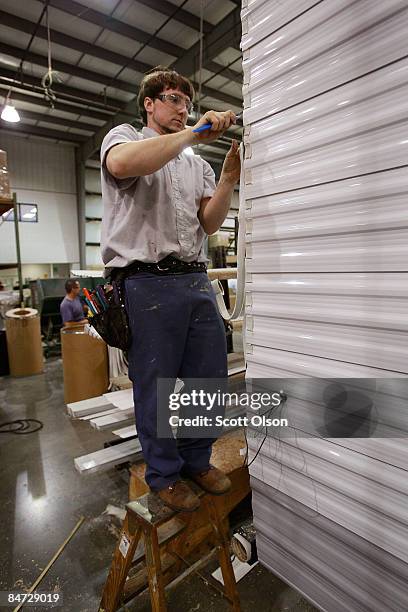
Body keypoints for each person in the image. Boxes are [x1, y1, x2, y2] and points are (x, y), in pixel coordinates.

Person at [100, 66, 241, 512]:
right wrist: (194, 134)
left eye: (187, 102)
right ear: (150, 102)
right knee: (155, 385)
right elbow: (124, 164)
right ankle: (163, 475)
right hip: (146, 283)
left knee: (209, 379)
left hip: (195, 279)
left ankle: (197, 459)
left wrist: (227, 180)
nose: (183, 109)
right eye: (174, 99)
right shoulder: (123, 136)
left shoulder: (195, 162)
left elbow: (210, 223)